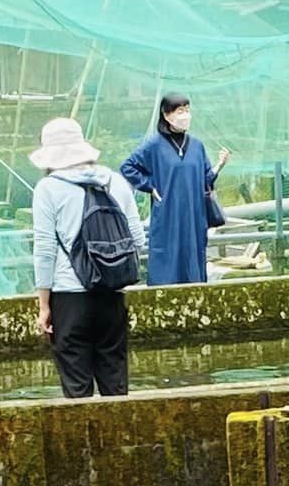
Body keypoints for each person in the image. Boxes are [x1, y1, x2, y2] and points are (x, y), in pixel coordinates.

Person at [29, 116, 147, 399]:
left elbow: (45, 251)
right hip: (112, 294)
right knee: (115, 384)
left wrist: (44, 305)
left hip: (70, 297)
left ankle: (85, 444)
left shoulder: (48, 188)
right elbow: (138, 240)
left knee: (77, 389)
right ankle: (119, 441)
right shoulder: (116, 182)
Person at [120, 92, 230, 287]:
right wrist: (150, 186)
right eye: (180, 111)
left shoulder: (196, 146)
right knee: (166, 259)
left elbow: (205, 180)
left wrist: (219, 166)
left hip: (194, 215)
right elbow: (128, 167)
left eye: (188, 110)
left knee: (193, 259)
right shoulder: (154, 145)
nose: (185, 115)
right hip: (167, 213)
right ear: (166, 114)